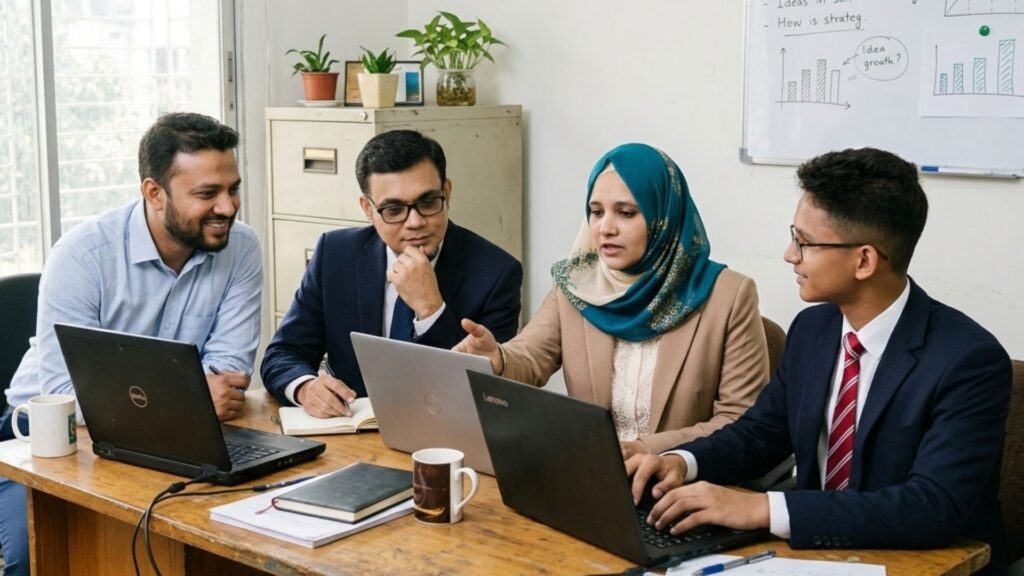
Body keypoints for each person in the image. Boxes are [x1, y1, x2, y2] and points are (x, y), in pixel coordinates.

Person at [628, 148, 1010, 573]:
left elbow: (930, 507)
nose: (790, 254)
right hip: (815, 556)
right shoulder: (814, 329)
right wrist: (682, 462)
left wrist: (761, 508)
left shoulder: (969, 361)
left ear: (863, 260)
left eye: (804, 242)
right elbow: (761, 434)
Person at [0, 112, 262, 576]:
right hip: (44, 440)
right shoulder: (82, 256)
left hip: (176, 441)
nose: (227, 207)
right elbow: (64, 393)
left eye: (233, 188)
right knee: (37, 557)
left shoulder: (241, 248)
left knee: (237, 540)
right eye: (207, 194)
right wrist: (188, 397)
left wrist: (180, 401)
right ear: (154, 192)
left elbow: (229, 373)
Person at [455, 143, 770, 458]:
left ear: (664, 216)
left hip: (686, 478)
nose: (605, 228)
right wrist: (496, 357)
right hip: (593, 471)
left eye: (626, 213)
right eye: (596, 212)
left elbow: (740, 421)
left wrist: (647, 450)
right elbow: (530, 357)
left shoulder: (728, 296)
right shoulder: (576, 285)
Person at [261, 130, 523, 418]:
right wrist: (306, 388)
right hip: (348, 429)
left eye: (428, 202)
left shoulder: (497, 273)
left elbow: (488, 396)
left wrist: (431, 309)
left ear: (447, 193)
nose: (415, 222)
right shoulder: (335, 254)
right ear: (367, 209)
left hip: (443, 433)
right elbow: (282, 354)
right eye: (394, 209)